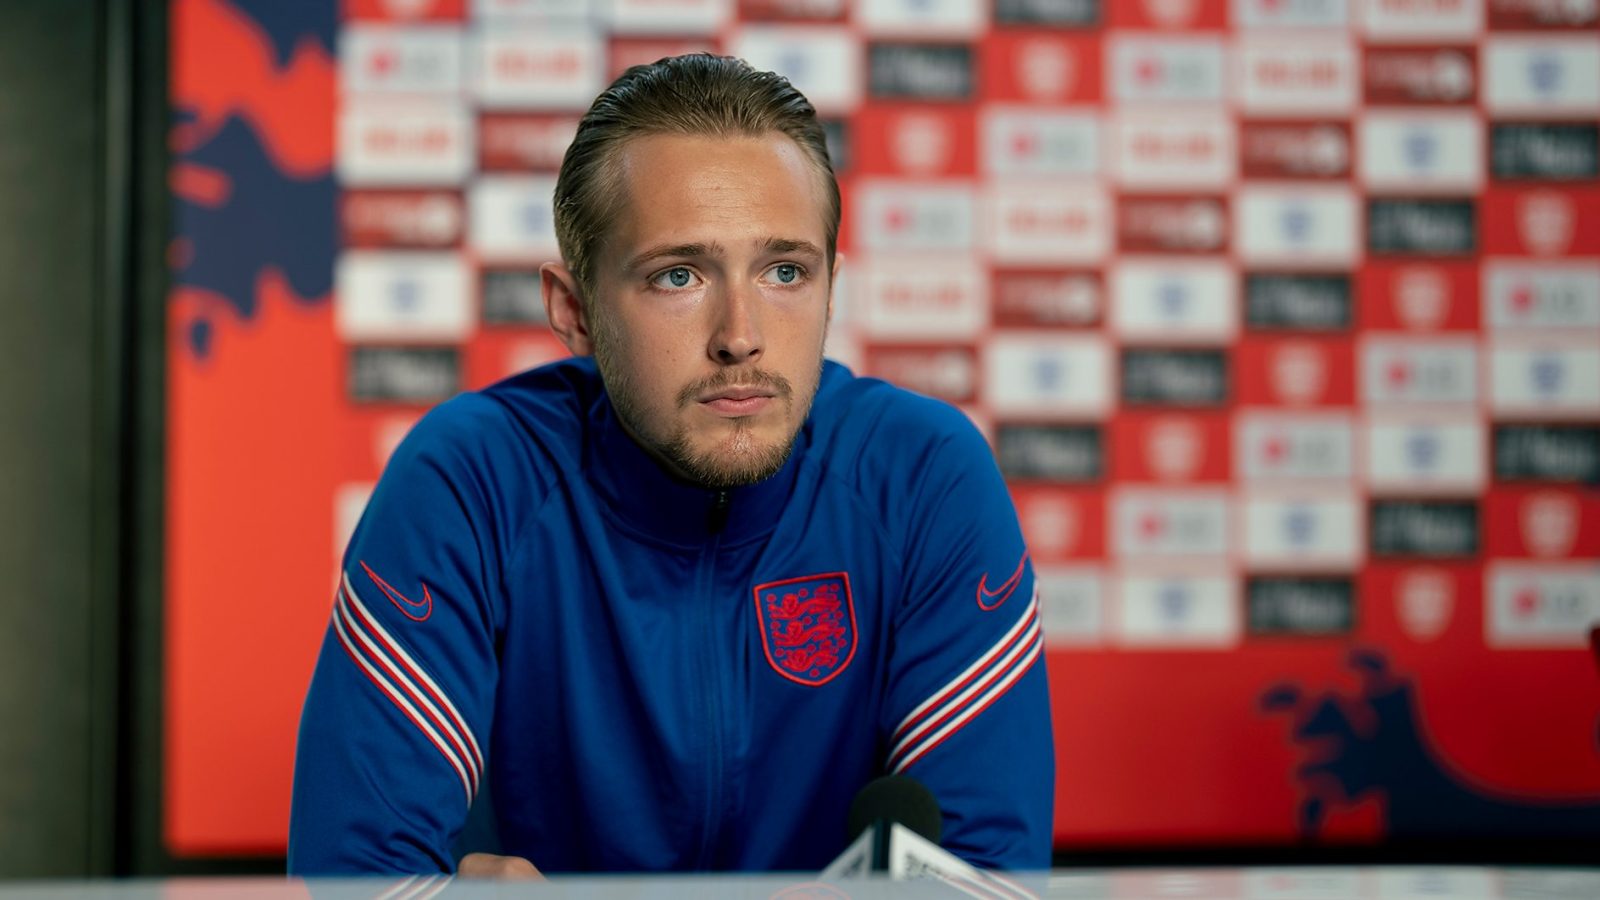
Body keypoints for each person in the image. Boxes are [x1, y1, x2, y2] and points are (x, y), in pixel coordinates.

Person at [288, 53, 1053, 877]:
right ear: (574, 310)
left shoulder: (921, 478)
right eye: (678, 275)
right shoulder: (473, 481)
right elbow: (354, 876)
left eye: (785, 271)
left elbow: (987, 879)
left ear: (832, 288)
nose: (740, 335)